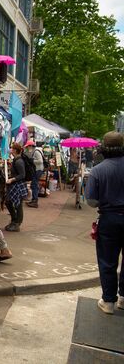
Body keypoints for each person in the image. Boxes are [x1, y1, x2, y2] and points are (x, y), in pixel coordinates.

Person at [85, 131, 124, 314]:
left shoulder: (98, 170)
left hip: (109, 218)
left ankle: (108, 301)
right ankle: (123, 297)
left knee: (108, 260)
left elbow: (91, 201)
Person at [5, 143, 27, 232]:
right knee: (8, 202)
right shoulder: (16, 160)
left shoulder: (19, 161)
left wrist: (12, 179)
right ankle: (14, 220)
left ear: (15, 150)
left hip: (18, 186)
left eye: (12, 148)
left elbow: (22, 175)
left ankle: (17, 223)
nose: (10, 149)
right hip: (14, 185)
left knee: (18, 205)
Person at [24, 140, 44, 208]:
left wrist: (32, 161)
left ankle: (35, 201)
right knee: (34, 184)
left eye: (27, 146)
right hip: (37, 170)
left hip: (38, 170)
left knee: (34, 185)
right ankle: (33, 200)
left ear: (30, 146)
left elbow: (40, 161)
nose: (27, 148)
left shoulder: (36, 151)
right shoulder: (34, 151)